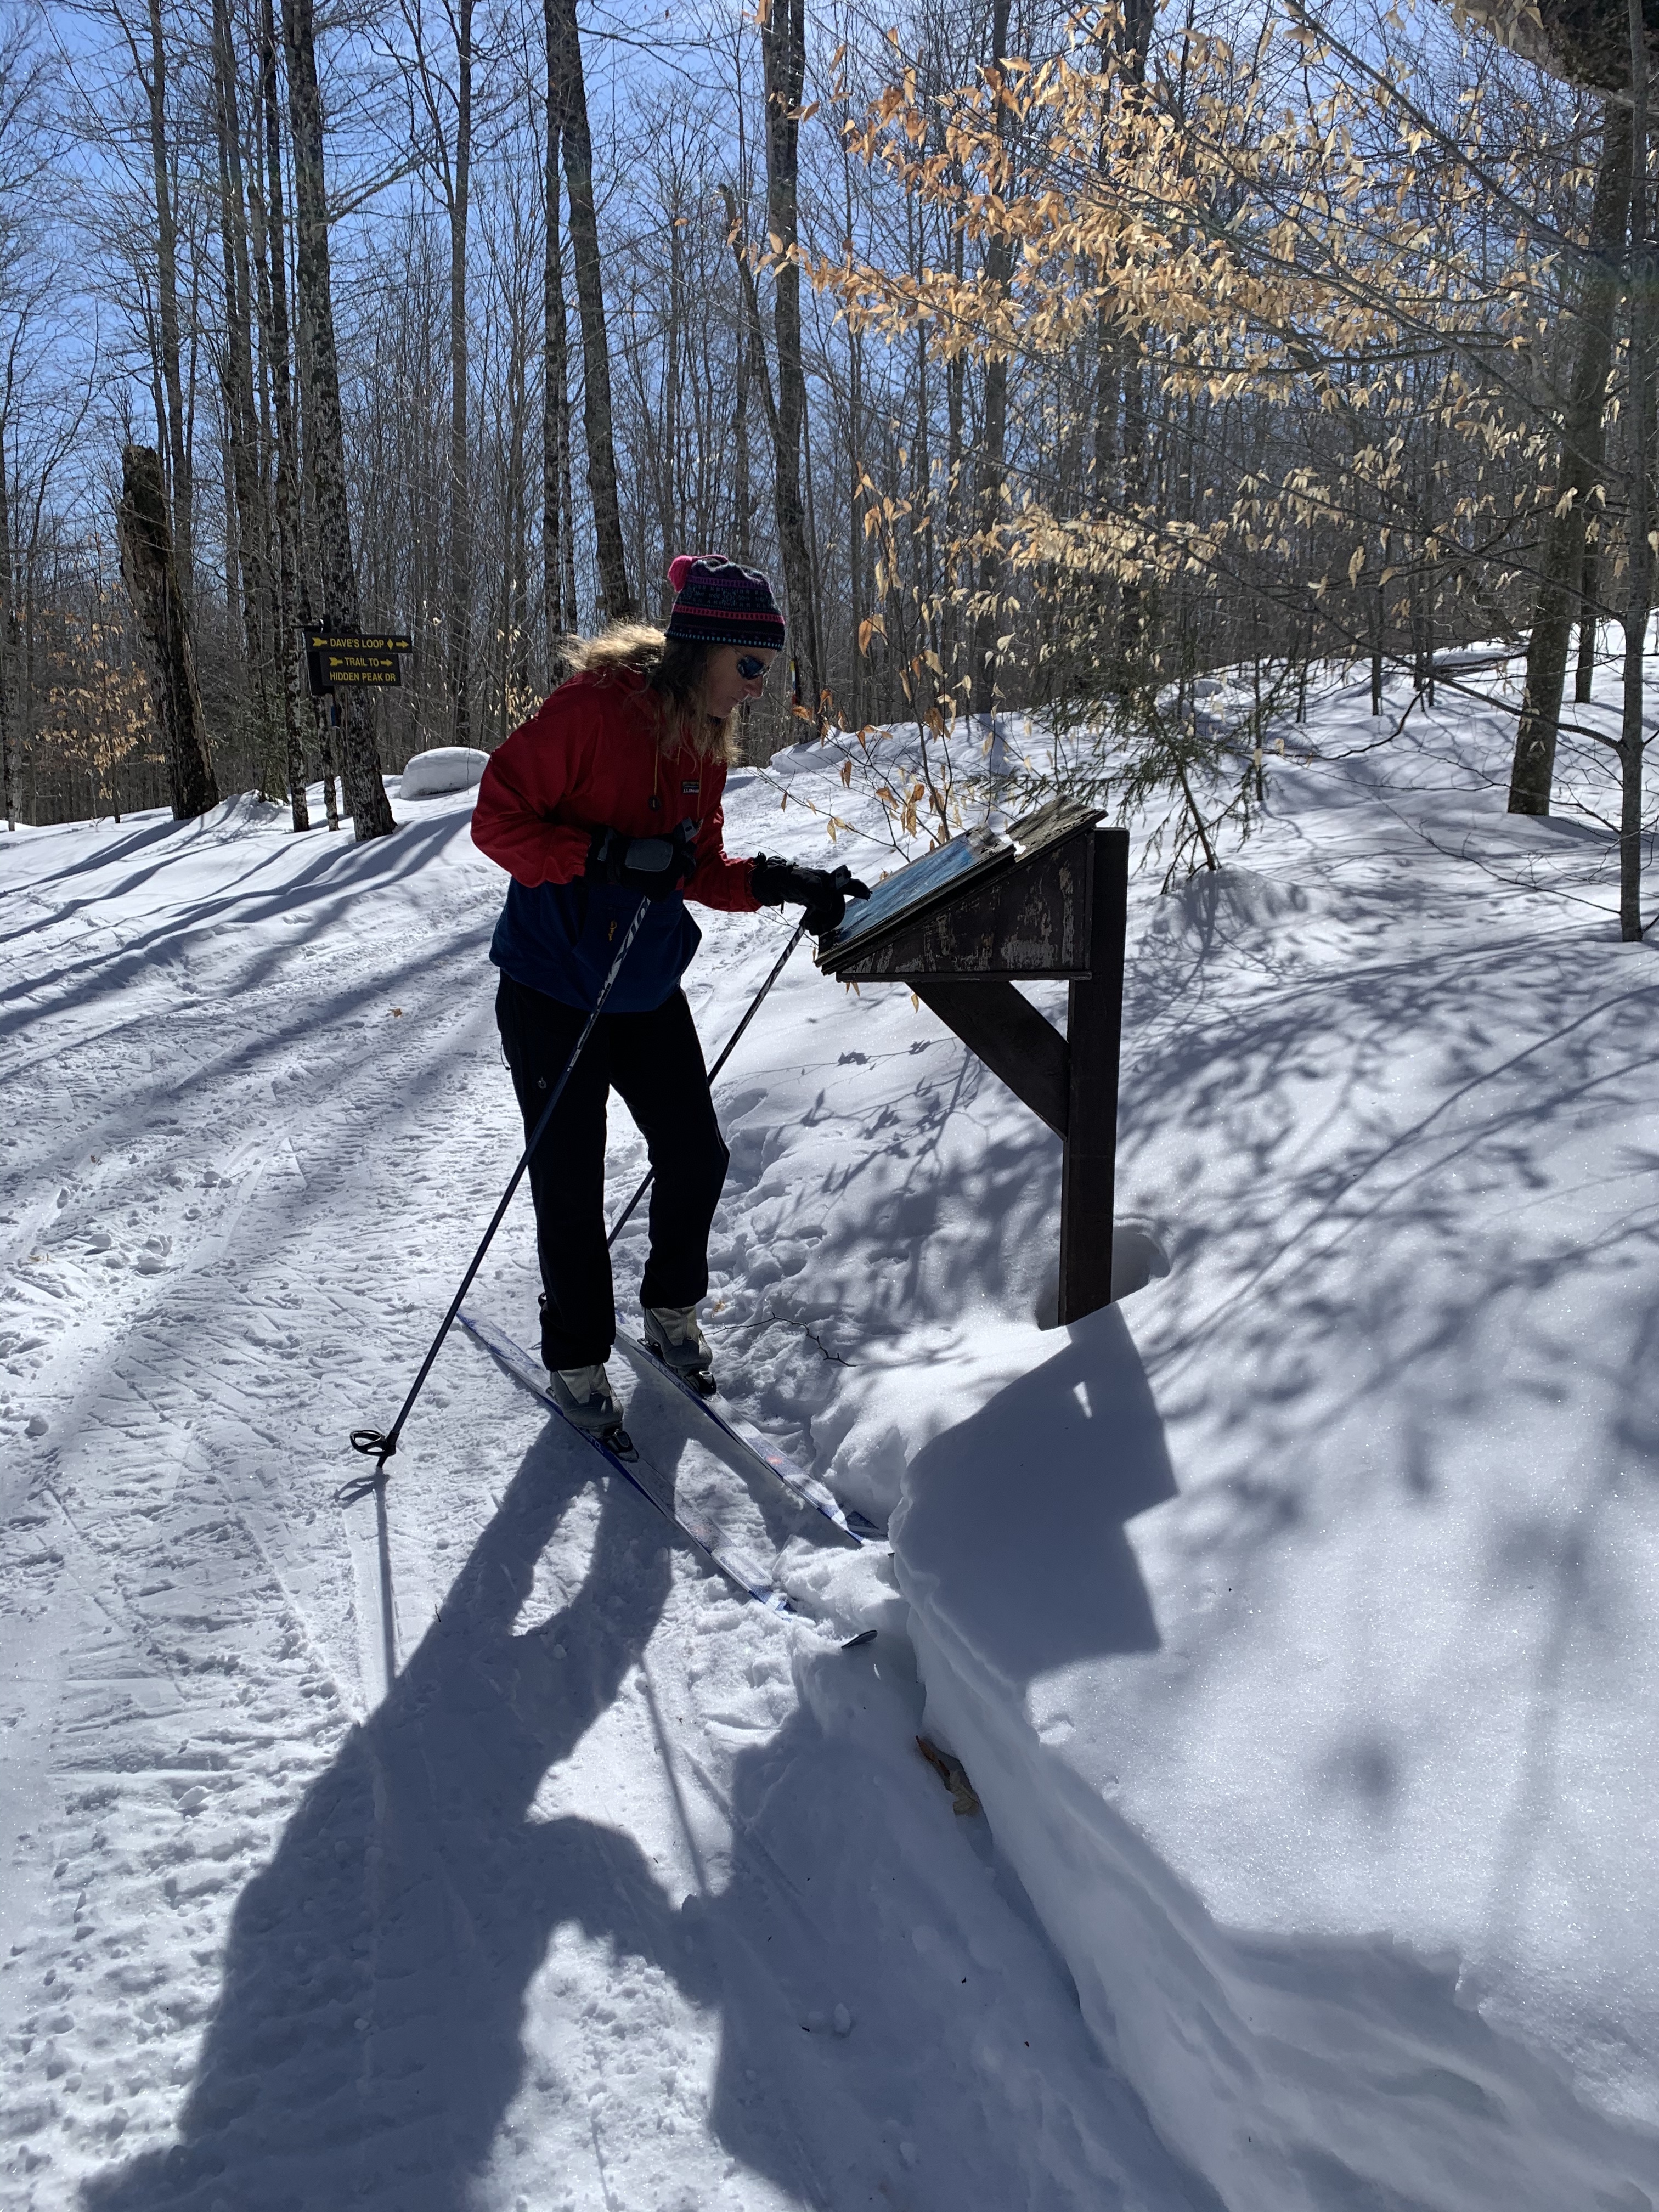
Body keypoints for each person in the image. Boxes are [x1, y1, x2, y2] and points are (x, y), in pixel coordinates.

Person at [470, 553, 868, 1437]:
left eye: (769, 669)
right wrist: (602, 857)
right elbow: (495, 821)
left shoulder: (703, 742)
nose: (761, 687)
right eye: (751, 666)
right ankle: (577, 1356)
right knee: (569, 1186)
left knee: (697, 1156)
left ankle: (671, 1308)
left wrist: (780, 880)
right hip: (554, 984)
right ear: (702, 650)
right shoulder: (589, 714)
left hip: (644, 983)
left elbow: (696, 867)